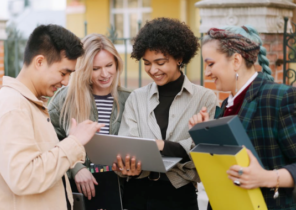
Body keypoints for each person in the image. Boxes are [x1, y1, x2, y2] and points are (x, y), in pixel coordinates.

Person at [112, 18, 218, 210]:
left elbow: (201, 150)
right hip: (137, 193)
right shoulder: (136, 97)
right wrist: (126, 164)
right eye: (146, 63)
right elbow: (128, 144)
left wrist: (158, 145)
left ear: (179, 57)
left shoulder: (204, 98)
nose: (153, 70)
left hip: (179, 195)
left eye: (160, 62)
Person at [0, 24, 104, 210]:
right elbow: (24, 178)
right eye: (63, 73)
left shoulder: (31, 103)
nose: (65, 82)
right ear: (39, 62)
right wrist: (74, 142)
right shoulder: (13, 106)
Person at [189, 25, 296, 210]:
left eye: (211, 64)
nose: (206, 73)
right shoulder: (224, 106)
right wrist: (206, 136)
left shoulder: (279, 98)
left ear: (236, 60)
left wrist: (266, 177)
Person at [48, 33, 131, 200]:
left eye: (109, 65)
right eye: (95, 69)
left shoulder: (129, 99)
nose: (105, 74)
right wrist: (75, 167)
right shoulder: (64, 98)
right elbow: (49, 141)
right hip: (76, 188)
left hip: (118, 187)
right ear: (84, 69)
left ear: (116, 63)